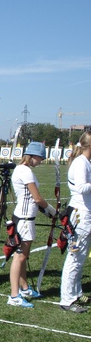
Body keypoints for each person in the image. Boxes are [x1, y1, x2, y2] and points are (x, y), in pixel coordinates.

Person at [6, 142, 56, 308]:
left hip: (25, 217)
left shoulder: (23, 169)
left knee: (23, 256)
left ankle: (25, 288)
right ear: (33, 156)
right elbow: (37, 198)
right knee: (19, 257)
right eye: (40, 158)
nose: (41, 161)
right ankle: (14, 296)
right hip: (24, 219)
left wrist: (48, 213)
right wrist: (54, 212)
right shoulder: (25, 171)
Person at [59, 131, 91, 313]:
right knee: (75, 257)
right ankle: (67, 299)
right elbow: (81, 187)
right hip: (80, 215)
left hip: (85, 213)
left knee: (81, 256)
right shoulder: (81, 163)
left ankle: (76, 293)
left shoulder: (85, 162)